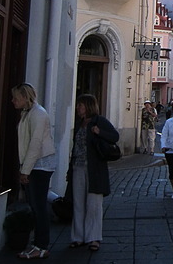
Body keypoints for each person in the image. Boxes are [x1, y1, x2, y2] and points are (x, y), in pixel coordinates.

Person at [69, 94, 120, 252]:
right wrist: (69, 169)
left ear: (89, 106)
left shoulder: (99, 121)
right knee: (78, 203)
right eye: (78, 105)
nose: (78, 108)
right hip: (78, 167)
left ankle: (94, 238)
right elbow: (75, 148)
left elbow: (114, 136)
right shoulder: (79, 124)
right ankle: (78, 237)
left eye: (81, 105)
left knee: (94, 205)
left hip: (95, 169)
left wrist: (99, 132)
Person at [11, 83, 56, 259]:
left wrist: (25, 170)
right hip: (34, 165)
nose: (13, 101)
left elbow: (35, 144)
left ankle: (41, 246)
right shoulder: (28, 113)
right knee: (36, 206)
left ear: (25, 97)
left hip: (40, 165)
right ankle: (38, 243)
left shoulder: (38, 114)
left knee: (39, 206)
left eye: (16, 97)